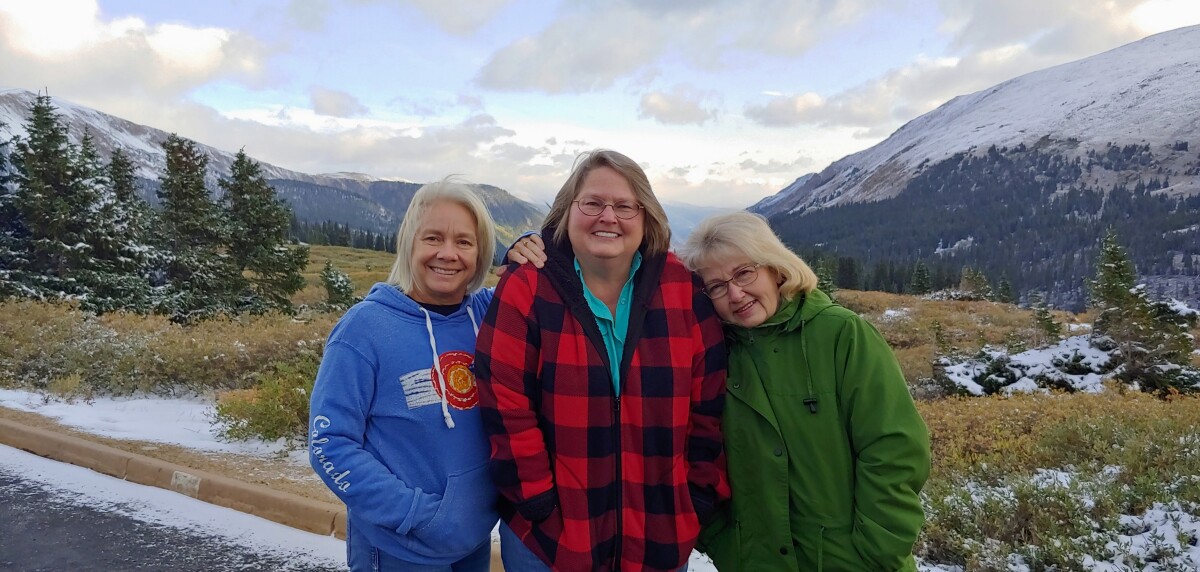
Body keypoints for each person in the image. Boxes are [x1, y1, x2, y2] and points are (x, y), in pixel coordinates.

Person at [475, 149, 730, 572]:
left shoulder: (683, 289)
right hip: (550, 542)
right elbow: (504, 397)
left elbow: (708, 405)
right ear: (567, 212)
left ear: (646, 216)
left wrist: (697, 494)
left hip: (658, 537)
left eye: (625, 206)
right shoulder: (529, 287)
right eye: (592, 203)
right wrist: (535, 497)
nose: (607, 217)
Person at [676, 211, 931, 572]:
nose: (735, 293)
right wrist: (725, 543)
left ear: (775, 268)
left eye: (744, 273)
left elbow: (894, 449)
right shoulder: (714, 355)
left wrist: (876, 552)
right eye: (717, 286)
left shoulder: (842, 334)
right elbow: (696, 454)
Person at [308, 179, 501, 572]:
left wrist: (529, 243)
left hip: (473, 539)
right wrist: (416, 514)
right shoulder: (365, 329)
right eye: (433, 238)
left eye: (464, 242)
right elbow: (329, 443)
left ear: (481, 253)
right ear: (409, 242)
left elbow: (546, 272)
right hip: (399, 547)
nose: (448, 254)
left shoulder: (487, 314)